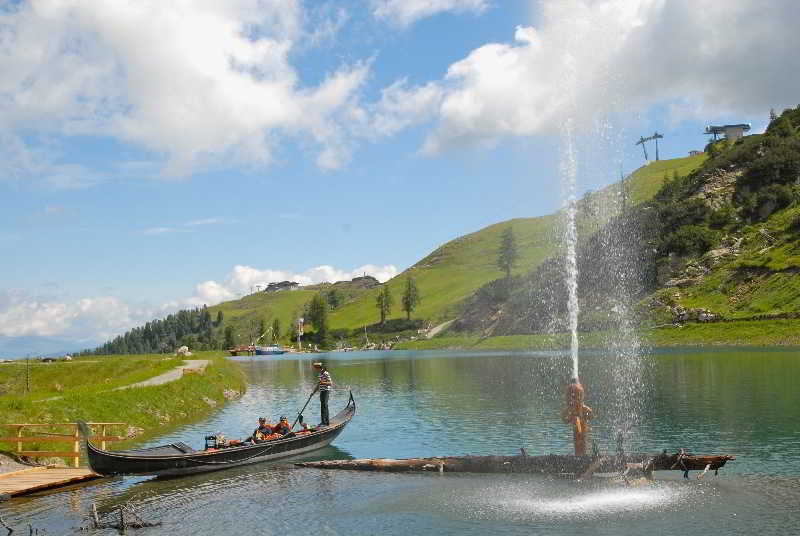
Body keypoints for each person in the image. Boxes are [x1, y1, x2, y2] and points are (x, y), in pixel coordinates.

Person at [313, 362, 332, 426]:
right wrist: (313, 392)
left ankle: (326, 422)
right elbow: (318, 384)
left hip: (326, 391)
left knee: (325, 406)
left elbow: (330, 383)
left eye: (315, 368)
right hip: (322, 391)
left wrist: (323, 382)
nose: (315, 369)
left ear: (319, 368)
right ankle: (323, 422)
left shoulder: (326, 373)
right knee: (322, 406)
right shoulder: (319, 374)